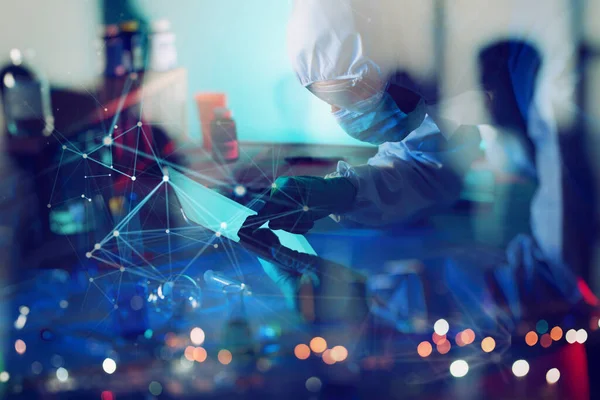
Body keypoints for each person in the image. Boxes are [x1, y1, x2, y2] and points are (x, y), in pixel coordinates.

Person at [242, 0, 482, 234]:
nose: (341, 114)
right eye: (333, 102)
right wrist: (343, 192)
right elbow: (426, 172)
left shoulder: (511, 64)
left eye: (355, 98)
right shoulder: (434, 80)